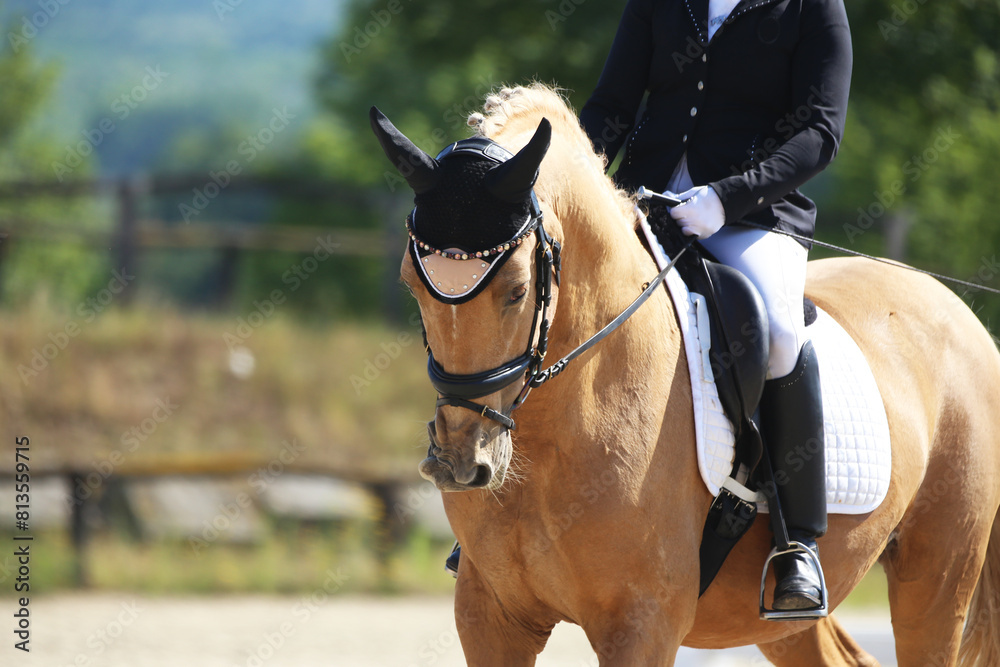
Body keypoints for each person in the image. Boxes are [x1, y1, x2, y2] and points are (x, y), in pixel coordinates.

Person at [580, 0, 852, 612]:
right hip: (639, 202)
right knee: (560, 294)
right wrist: (568, 181)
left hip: (750, 214)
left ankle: (795, 544)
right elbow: (611, 107)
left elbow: (819, 132)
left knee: (780, 331)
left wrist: (730, 197)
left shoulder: (812, 7)